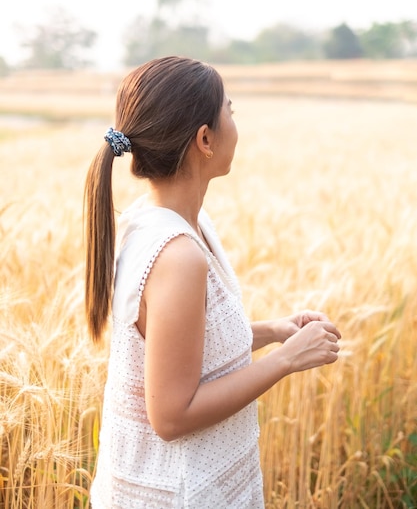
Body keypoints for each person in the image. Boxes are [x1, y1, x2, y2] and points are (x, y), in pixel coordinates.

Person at [84, 56, 341, 509]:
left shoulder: (162, 221)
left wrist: (275, 330)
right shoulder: (177, 255)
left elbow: (178, 348)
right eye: (230, 112)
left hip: (186, 484)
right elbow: (171, 415)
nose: (235, 124)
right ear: (205, 138)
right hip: (181, 494)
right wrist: (285, 360)